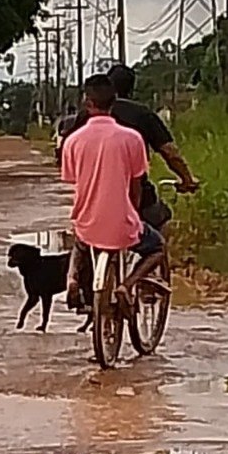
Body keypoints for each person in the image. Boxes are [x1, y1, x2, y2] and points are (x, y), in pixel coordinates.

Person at [60, 75, 166, 311]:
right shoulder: (132, 138)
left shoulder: (73, 141)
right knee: (158, 247)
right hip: (122, 224)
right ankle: (127, 285)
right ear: (114, 101)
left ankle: (72, 279)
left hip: (88, 223)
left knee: (79, 241)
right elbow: (136, 185)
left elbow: (73, 180)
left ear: (87, 103)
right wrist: (133, 213)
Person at [70, 62, 199, 230]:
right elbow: (170, 152)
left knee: (83, 237)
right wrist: (187, 179)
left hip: (92, 203)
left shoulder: (86, 116)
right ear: (131, 89)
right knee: (158, 227)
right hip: (137, 201)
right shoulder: (142, 114)